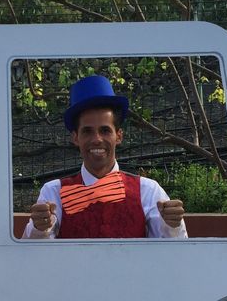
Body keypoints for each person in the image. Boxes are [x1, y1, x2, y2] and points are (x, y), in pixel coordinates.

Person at [22, 75, 188, 239]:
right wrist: (39, 228)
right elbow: (34, 255)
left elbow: (172, 252)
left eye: (105, 130)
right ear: (75, 138)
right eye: (87, 131)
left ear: (119, 136)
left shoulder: (148, 191)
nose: (96, 139)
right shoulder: (53, 192)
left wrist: (173, 225)